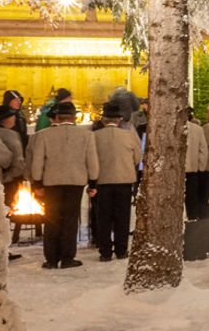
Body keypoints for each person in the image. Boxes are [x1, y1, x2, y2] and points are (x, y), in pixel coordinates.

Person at [28, 101, 98, 269]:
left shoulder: (43, 135)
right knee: (70, 219)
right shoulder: (87, 136)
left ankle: (51, 258)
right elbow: (92, 161)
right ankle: (68, 257)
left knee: (51, 219)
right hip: (76, 182)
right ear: (74, 118)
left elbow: (37, 162)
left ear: (57, 117)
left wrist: (36, 182)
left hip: (51, 182)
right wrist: (93, 182)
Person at [89, 107, 141, 261]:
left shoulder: (94, 136)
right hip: (124, 179)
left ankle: (105, 252)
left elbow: (90, 158)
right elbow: (137, 157)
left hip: (102, 180)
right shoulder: (129, 136)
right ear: (118, 120)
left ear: (103, 120)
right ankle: (121, 250)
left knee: (103, 217)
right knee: (122, 217)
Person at [181, 108, 209, 221]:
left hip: (173, 172)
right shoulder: (197, 129)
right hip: (192, 171)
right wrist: (200, 168)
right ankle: (192, 221)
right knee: (191, 199)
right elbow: (203, 151)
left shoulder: (167, 128)